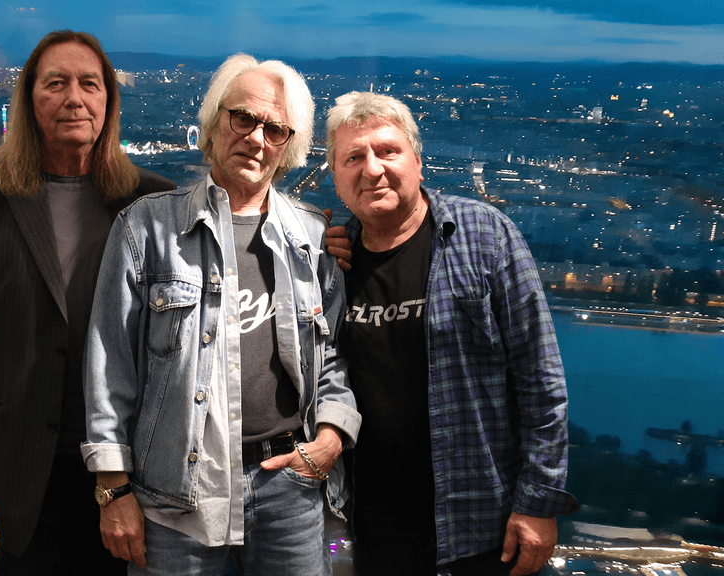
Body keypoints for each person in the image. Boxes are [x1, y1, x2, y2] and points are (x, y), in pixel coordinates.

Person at [82, 53, 361, 575]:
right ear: (212, 126)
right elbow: (108, 366)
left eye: (275, 129)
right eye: (243, 118)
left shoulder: (313, 237)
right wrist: (112, 489)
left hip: (291, 491)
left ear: (288, 147)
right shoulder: (145, 229)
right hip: (176, 498)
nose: (256, 138)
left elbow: (333, 356)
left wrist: (330, 437)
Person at [0, 30, 175, 575]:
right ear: (29, 99)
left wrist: (321, 244)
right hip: (20, 462)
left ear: (108, 100)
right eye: (56, 84)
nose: (74, 98)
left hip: (132, 463)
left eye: (90, 84)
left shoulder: (153, 199)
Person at [325, 91, 578, 576]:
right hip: (370, 529)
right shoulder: (331, 261)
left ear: (418, 162)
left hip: (480, 527)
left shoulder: (485, 235)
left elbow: (541, 379)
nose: (372, 169)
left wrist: (539, 503)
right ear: (336, 178)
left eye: (387, 150)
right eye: (353, 158)